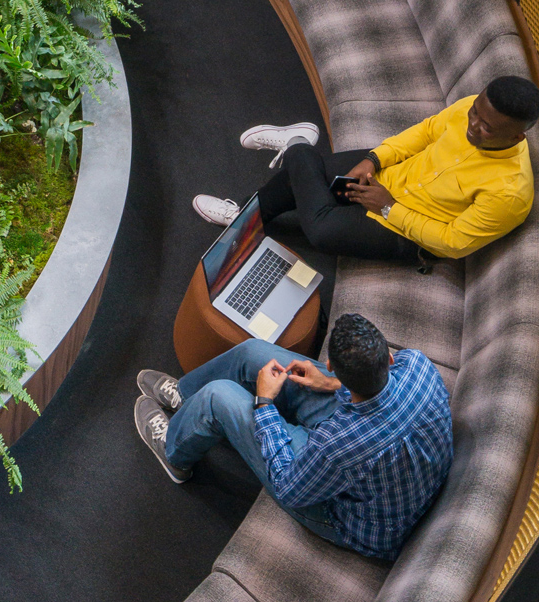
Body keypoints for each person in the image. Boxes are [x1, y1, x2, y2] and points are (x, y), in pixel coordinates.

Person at [133, 314, 453, 560]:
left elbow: (290, 487)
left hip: (352, 519)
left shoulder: (334, 445)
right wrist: (331, 384)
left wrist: (264, 403)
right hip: (378, 464)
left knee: (220, 396)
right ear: (390, 356)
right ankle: (186, 396)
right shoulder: (418, 364)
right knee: (252, 351)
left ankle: (175, 452)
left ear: (331, 366)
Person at [193, 75, 539, 261]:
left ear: (518, 135)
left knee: (322, 230)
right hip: (390, 175)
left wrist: (389, 207)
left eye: (486, 128)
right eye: (474, 112)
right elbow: (425, 133)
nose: (473, 124)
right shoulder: (472, 109)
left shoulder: (509, 194)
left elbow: (453, 243)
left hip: (406, 232)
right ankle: (241, 215)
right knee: (298, 181)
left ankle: (297, 145)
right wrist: (374, 159)